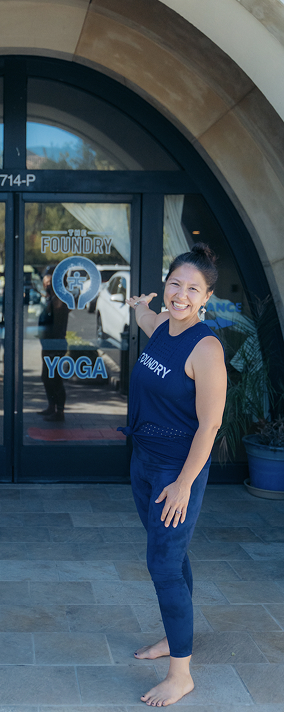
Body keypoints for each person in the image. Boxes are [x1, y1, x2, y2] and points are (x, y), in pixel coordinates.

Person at [121, 243, 227, 707]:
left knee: (163, 564)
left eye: (192, 289)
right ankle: (173, 635)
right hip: (144, 460)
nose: (181, 295)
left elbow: (210, 425)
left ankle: (180, 674)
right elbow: (147, 319)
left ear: (206, 298)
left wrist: (183, 484)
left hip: (175, 471)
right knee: (172, 555)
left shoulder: (205, 348)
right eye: (175, 284)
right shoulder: (163, 325)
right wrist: (139, 306)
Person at [38, 268, 70, 422]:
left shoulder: (59, 301)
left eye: (50, 283)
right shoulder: (53, 299)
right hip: (48, 345)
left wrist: (52, 345)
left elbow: (56, 325)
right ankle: (51, 406)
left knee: (55, 378)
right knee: (46, 377)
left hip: (55, 345)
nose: (47, 285)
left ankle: (59, 411)